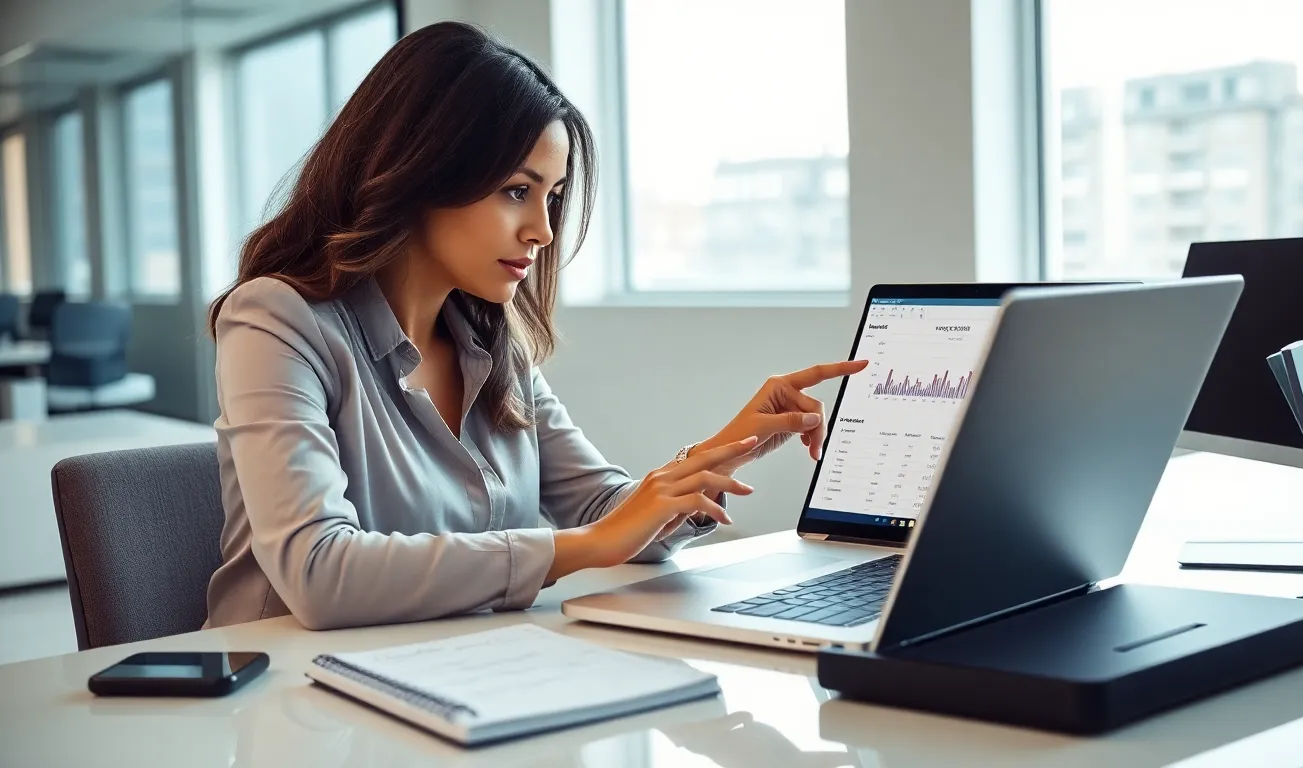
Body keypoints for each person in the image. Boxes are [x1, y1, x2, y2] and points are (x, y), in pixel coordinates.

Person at [203, 21, 866, 631]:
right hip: (279, 706)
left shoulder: (492, 346)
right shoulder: (276, 321)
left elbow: (604, 512)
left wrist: (729, 446)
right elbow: (320, 574)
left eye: (552, 196)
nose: (543, 231)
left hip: (452, 680)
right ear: (421, 169)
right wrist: (580, 549)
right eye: (517, 191)